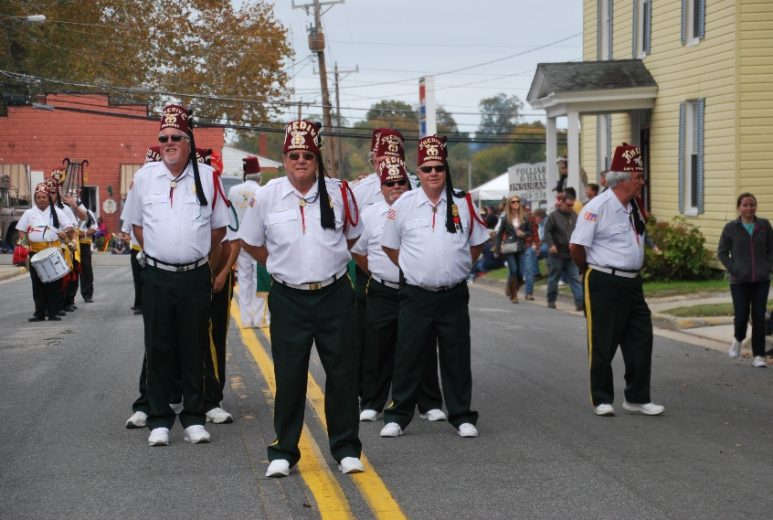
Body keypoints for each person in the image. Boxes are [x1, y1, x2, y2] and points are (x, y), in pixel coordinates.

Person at [239, 120, 365, 477]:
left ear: (316, 157)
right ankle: (284, 450)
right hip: (289, 298)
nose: (300, 161)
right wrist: (278, 264)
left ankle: (345, 448)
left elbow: (353, 237)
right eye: (293, 155)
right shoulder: (266, 195)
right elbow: (249, 239)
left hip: (334, 294)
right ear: (284, 159)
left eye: (307, 155)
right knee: (290, 375)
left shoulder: (339, 192)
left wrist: (329, 260)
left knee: (341, 374)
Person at [122, 103, 229, 446]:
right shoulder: (144, 178)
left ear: (188, 141)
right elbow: (136, 226)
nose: (168, 142)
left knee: (194, 345)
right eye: (163, 137)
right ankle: (159, 419)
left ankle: (195, 417)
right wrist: (160, 251)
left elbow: (218, 230)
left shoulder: (208, 177)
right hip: (157, 275)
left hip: (194, 275)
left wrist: (192, 254)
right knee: (158, 345)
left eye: (175, 137)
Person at [380, 134, 488, 439]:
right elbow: (390, 246)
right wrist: (415, 267)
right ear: (418, 172)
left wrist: (459, 264)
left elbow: (477, 243)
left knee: (456, 355)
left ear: (446, 168)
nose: (433, 173)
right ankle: (398, 415)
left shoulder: (463, 202)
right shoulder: (404, 203)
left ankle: (462, 415)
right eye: (426, 168)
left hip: (453, 294)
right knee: (408, 355)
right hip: (416, 293)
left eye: (438, 167)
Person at [569, 143, 665, 417]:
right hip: (603, 279)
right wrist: (587, 270)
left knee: (641, 338)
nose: (642, 183)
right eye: (638, 177)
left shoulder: (634, 207)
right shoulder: (597, 206)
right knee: (602, 340)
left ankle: (637, 397)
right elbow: (576, 246)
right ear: (622, 179)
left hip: (632, 282)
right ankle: (601, 398)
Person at [351, 157, 446, 423]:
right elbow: (357, 251)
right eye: (389, 183)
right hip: (383, 289)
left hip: (416, 289)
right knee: (377, 347)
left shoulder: (426, 208)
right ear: (381, 187)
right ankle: (372, 401)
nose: (395, 187)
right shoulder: (369, 214)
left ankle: (429, 403)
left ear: (409, 184)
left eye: (400, 182)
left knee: (423, 345)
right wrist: (376, 273)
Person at [717, 192, 773, 368]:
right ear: (739, 207)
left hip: (761, 280)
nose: (749, 208)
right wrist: (733, 268)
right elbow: (722, 252)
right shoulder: (731, 228)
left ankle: (759, 356)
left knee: (759, 316)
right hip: (739, 280)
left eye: (752, 205)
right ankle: (738, 339)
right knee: (741, 316)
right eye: (745, 205)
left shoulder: (764, 225)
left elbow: (771, 249)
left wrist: (768, 267)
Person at [16, 183, 73, 321]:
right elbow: (22, 231)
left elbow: (69, 227)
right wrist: (24, 245)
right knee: (37, 283)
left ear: (48, 198)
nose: (41, 199)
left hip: (53, 251)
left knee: (54, 284)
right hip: (35, 252)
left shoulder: (57, 212)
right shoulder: (29, 213)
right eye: (38, 197)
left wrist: (64, 232)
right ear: (35, 199)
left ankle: (53, 312)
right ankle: (39, 312)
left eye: (44, 197)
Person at [228, 155, 270, 328]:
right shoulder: (262, 191)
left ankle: (246, 320)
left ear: (245, 173)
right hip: (258, 242)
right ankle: (260, 319)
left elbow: (230, 219)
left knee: (244, 280)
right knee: (259, 279)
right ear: (259, 176)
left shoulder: (233, 191)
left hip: (239, 241)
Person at [544, 192, 584, 311]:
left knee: (575, 278)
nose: (570, 207)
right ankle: (551, 300)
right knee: (554, 278)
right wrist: (551, 245)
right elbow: (547, 232)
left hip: (571, 252)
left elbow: (580, 231)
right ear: (561, 203)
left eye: (572, 205)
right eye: (568, 205)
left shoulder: (575, 216)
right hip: (557, 252)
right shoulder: (553, 216)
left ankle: (580, 302)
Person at [493, 194, 531, 303]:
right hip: (509, 247)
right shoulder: (505, 218)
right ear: (509, 204)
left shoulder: (525, 217)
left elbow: (530, 232)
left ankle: (510, 288)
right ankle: (514, 295)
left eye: (517, 201)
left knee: (520, 272)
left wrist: (523, 234)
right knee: (513, 270)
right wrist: (496, 249)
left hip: (521, 247)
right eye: (513, 202)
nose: (515, 204)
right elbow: (500, 234)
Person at [523, 208, 546, 299]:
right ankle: (512, 287)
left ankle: (529, 293)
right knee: (514, 270)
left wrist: (536, 245)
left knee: (529, 269)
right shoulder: (513, 220)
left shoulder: (532, 221)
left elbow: (536, 234)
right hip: (517, 247)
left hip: (528, 246)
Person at [77, 204, 98, 303]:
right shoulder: (62, 210)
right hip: (68, 244)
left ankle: (87, 294)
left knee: (86, 269)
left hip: (83, 243)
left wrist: (84, 233)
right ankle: (68, 299)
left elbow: (94, 227)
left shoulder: (88, 212)